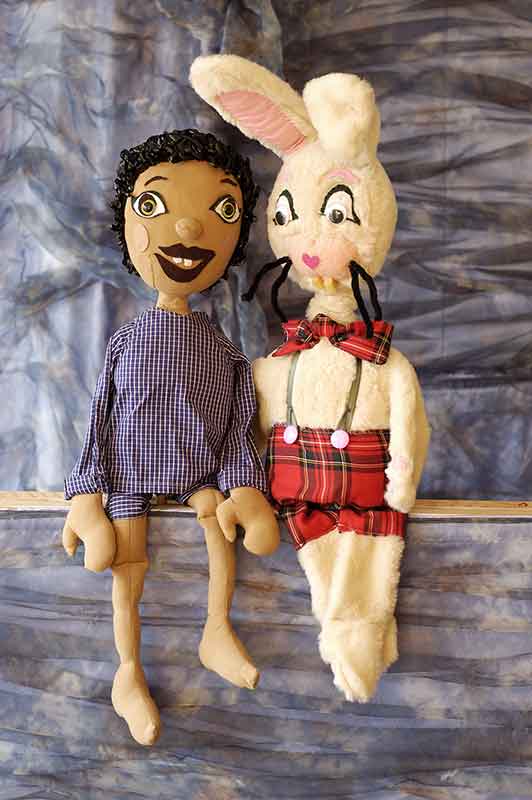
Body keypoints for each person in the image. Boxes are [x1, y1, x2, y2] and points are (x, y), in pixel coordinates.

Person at [62, 129, 279, 746]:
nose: (187, 226)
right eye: (154, 205)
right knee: (124, 564)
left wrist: (244, 485)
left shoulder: (222, 351)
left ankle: (216, 628)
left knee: (215, 522)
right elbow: (100, 418)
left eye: (222, 210)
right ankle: (127, 671)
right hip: (129, 482)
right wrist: (86, 493)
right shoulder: (126, 343)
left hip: (199, 481)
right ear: (129, 224)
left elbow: (238, 423)